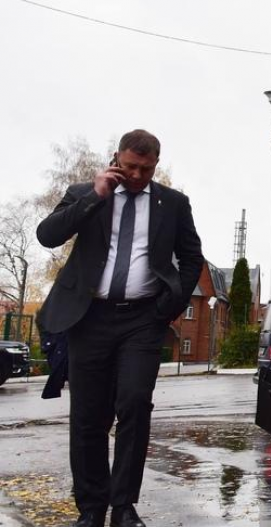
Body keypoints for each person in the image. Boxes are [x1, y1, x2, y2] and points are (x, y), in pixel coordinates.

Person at [36, 130, 204, 527]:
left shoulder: (173, 203)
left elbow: (192, 257)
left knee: (133, 403)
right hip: (89, 317)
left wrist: (169, 307)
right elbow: (48, 235)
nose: (136, 175)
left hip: (142, 320)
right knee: (88, 414)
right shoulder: (84, 192)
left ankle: (123, 506)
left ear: (156, 165)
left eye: (145, 169)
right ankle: (91, 507)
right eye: (129, 166)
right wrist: (95, 195)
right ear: (116, 159)